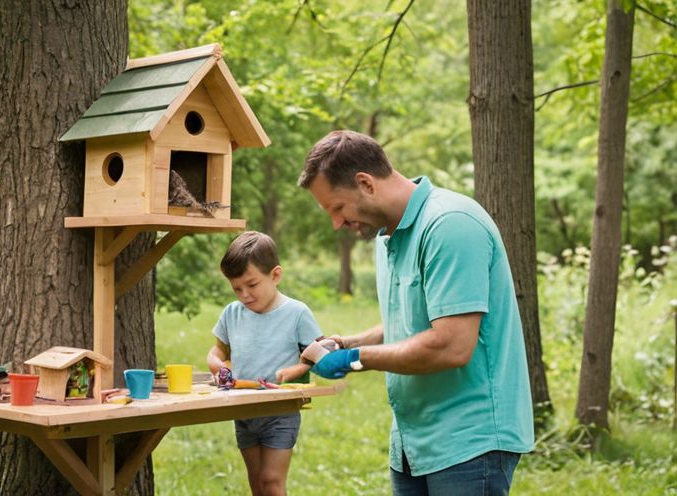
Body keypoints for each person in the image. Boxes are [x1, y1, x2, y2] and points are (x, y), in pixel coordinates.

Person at [297, 130, 534, 495]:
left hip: (469, 441)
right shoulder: (387, 238)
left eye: (338, 208)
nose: (336, 224)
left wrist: (355, 359)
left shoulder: (449, 225)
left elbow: (451, 345)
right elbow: (412, 321)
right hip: (413, 442)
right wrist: (347, 343)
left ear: (366, 183)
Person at [206, 231, 323, 496]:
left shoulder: (297, 313)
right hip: (244, 411)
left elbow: (318, 354)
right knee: (257, 484)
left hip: (280, 411)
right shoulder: (232, 313)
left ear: (275, 275)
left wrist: (297, 369)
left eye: (252, 284)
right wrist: (219, 366)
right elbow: (215, 352)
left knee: (271, 481)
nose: (244, 295)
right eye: (236, 288)